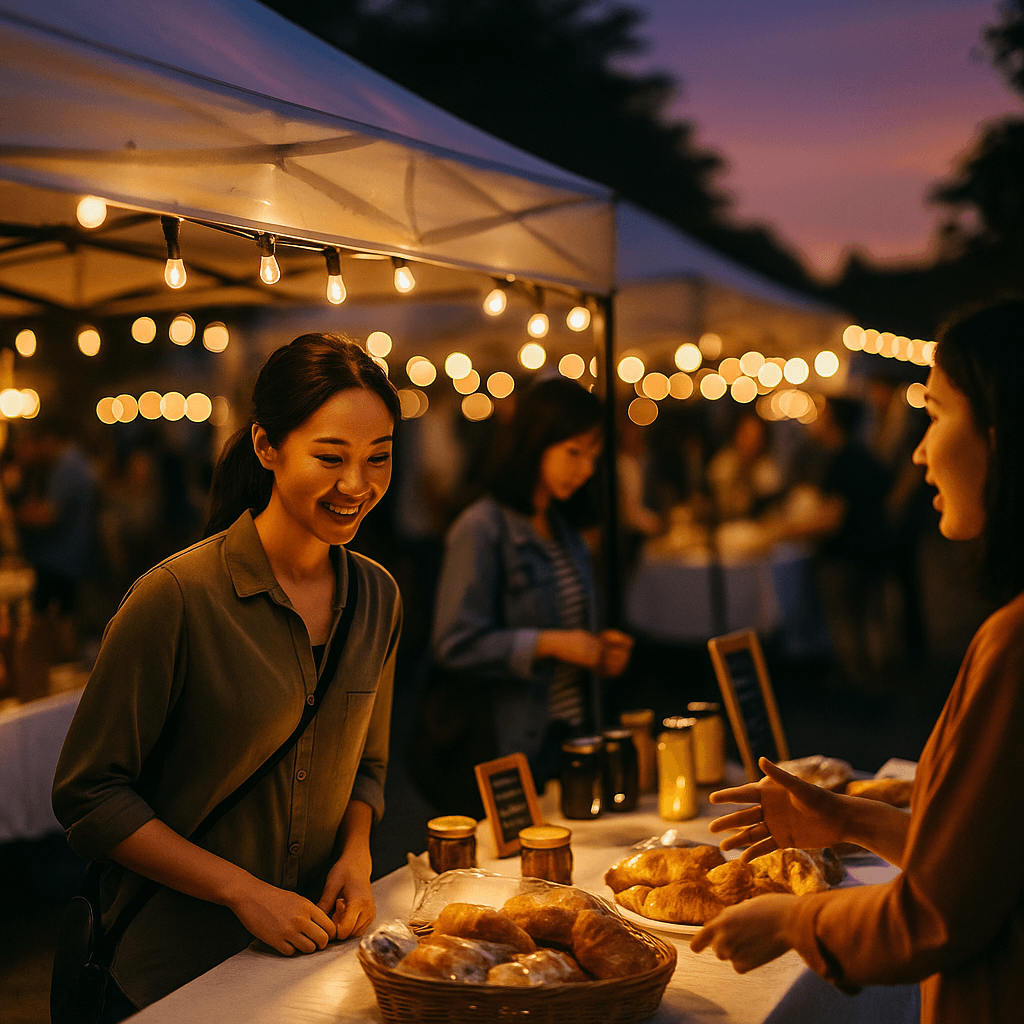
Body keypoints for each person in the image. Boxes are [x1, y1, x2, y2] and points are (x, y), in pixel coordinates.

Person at [690, 299, 1024, 1023]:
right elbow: (974, 870)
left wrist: (790, 922)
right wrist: (850, 818)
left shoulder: (1014, 643)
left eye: (934, 413)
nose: (917, 450)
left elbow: (934, 915)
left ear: (1002, 435)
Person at [51, 333, 403, 1019]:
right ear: (268, 447)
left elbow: (369, 763)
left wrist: (356, 856)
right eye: (330, 457)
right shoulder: (177, 596)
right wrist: (242, 891)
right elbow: (90, 796)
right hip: (170, 971)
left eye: (379, 458)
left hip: (310, 960)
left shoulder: (378, 595)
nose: (356, 486)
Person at [430, 376, 633, 786]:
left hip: (575, 741)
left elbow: (574, 628)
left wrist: (600, 650)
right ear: (535, 442)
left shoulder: (564, 528)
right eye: (573, 452)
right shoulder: (483, 527)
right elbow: (454, 644)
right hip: (512, 746)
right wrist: (553, 643)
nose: (586, 470)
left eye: (593, 456)